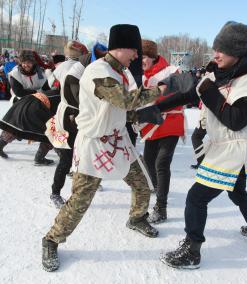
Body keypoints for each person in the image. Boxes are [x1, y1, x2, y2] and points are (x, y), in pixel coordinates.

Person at [138, 21, 247, 269]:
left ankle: (192, 250)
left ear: (239, 53)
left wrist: (209, 90)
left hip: (238, 147)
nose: (216, 55)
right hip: (225, 146)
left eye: (223, 50)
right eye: (216, 49)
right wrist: (155, 109)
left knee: (196, 198)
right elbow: (189, 95)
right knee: (237, 192)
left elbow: (235, 120)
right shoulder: (218, 75)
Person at [41, 24, 163, 272]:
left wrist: (138, 117)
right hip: (95, 145)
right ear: (121, 48)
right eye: (134, 51)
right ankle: (51, 240)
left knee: (142, 183)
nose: (137, 56)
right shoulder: (99, 70)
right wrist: (158, 92)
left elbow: (114, 109)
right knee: (81, 199)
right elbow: (124, 100)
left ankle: (137, 217)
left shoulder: (121, 72)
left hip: (118, 141)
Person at [45, 42, 105, 209]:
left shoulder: (87, 69)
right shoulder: (75, 73)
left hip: (81, 117)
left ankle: (86, 184)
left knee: (86, 152)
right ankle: (55, 192)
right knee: (66, 156)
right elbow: (76, 98)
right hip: (67, 118)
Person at [138, 39, 183, 223]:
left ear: (152, 56)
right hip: (151, 124)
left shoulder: (171, 70)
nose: (141, 61)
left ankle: (161, 207)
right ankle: (156, 187)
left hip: (170, 122)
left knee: (161, 163)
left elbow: (183, 92)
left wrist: (161, 94)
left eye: (144, 57)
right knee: (148, 161)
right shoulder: (140, 75)